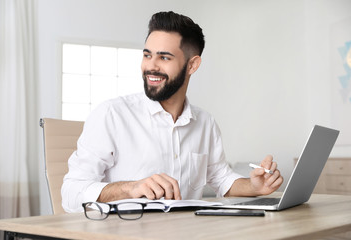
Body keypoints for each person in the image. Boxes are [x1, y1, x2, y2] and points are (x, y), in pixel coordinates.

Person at [61, 11, 283, 213]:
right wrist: (130, 189)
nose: (151, 66)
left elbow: (221, 178)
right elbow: (70, 194)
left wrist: (254, 186)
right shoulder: (111, 115)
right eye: (147, 55)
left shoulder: (205, 123)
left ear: (192, 65)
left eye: (164, 57)